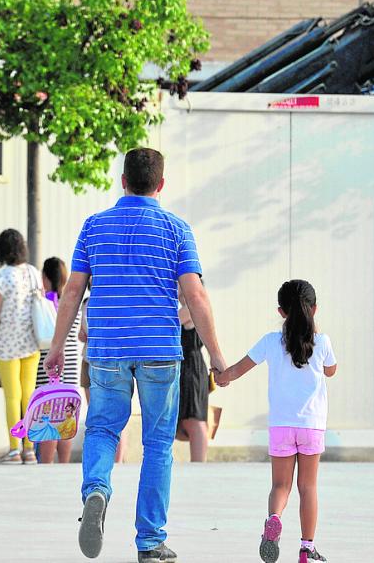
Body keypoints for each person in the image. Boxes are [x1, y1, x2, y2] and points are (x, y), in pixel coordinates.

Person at [44, 147, 228, 563]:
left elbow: (72, 291)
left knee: (103, 429)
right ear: (160, 185)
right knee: (159, 443)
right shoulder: (177, 229)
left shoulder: (94, 227)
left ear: (122, 180)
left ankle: (95, 490)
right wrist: (217, 355)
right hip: (160, 351)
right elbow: (195, 295)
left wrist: (58, 348)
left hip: (107, 349)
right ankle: (149, 542)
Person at [215, 280, 337, 563]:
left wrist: (221, 376)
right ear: (314, 309)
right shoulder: (323, 342)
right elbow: (331, 370)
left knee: (280, 486)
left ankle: (273, 520)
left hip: (281, 425)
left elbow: (236, 370)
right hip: (311, 426)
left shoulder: (271, 341)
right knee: (308, 487)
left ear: (281, 311)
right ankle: (307, 548)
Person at [0, 229, 41, 465]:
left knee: (12, 396)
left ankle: (14, 449)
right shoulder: (33, 273)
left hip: (8, 344)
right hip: (31, 341)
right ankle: (30, 449)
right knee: (28, 395)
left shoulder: (0, 278)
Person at [36, 256, 81, 464]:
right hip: (71, 363)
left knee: (48, 415)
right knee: (66, 416)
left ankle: (46, 463)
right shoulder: (74, 303)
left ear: (45, 277)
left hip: (52, 363)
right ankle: (63, 463)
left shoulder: (47, 302)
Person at [78, 281, 127, 464]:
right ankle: (104, 459)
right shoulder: (86, 303)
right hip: (89, 359)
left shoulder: (112, 301)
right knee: (96, 414)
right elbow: (82, 333)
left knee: (114, 413)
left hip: (108, 361)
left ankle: (117, 459)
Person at [175, 284, 210, 462]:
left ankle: (199, 462)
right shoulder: (188, 308)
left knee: (194, 418)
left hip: (191, 367)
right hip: (184, 366)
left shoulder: (191, 308)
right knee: (189, 417)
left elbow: (169, 322)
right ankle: (198, 462)